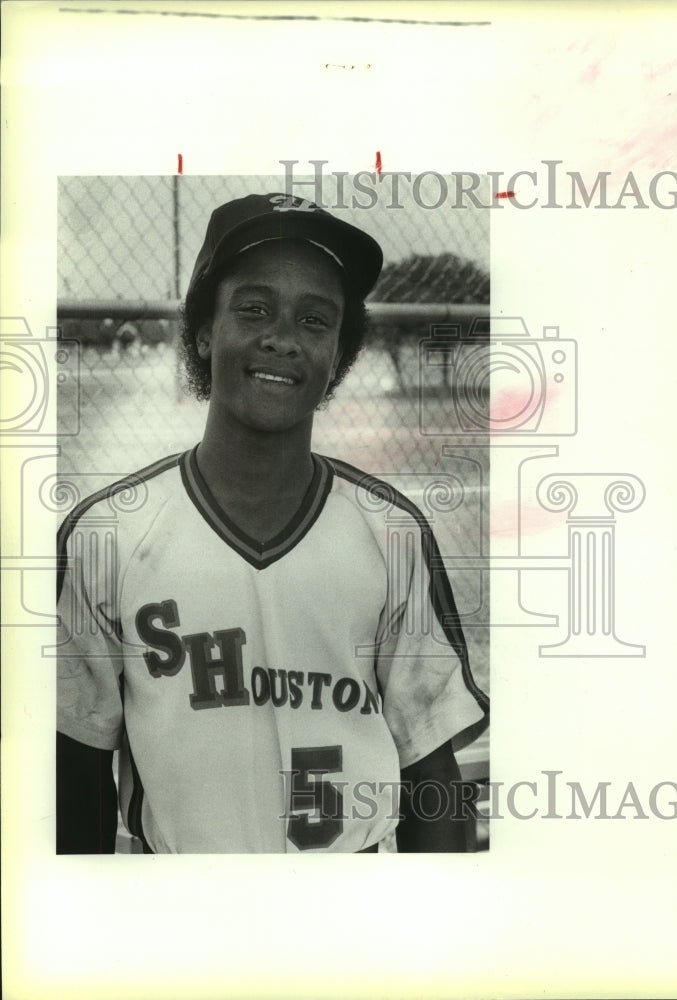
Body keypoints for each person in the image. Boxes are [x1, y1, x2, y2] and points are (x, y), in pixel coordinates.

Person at [56, 192, 489, 854]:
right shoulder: (106, 536)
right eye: (253, 308)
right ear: (204, 330)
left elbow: (431, 773)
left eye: (315, 320)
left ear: (338, 353)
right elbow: (74, 777)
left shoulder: (389, 533)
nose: (282, 337)